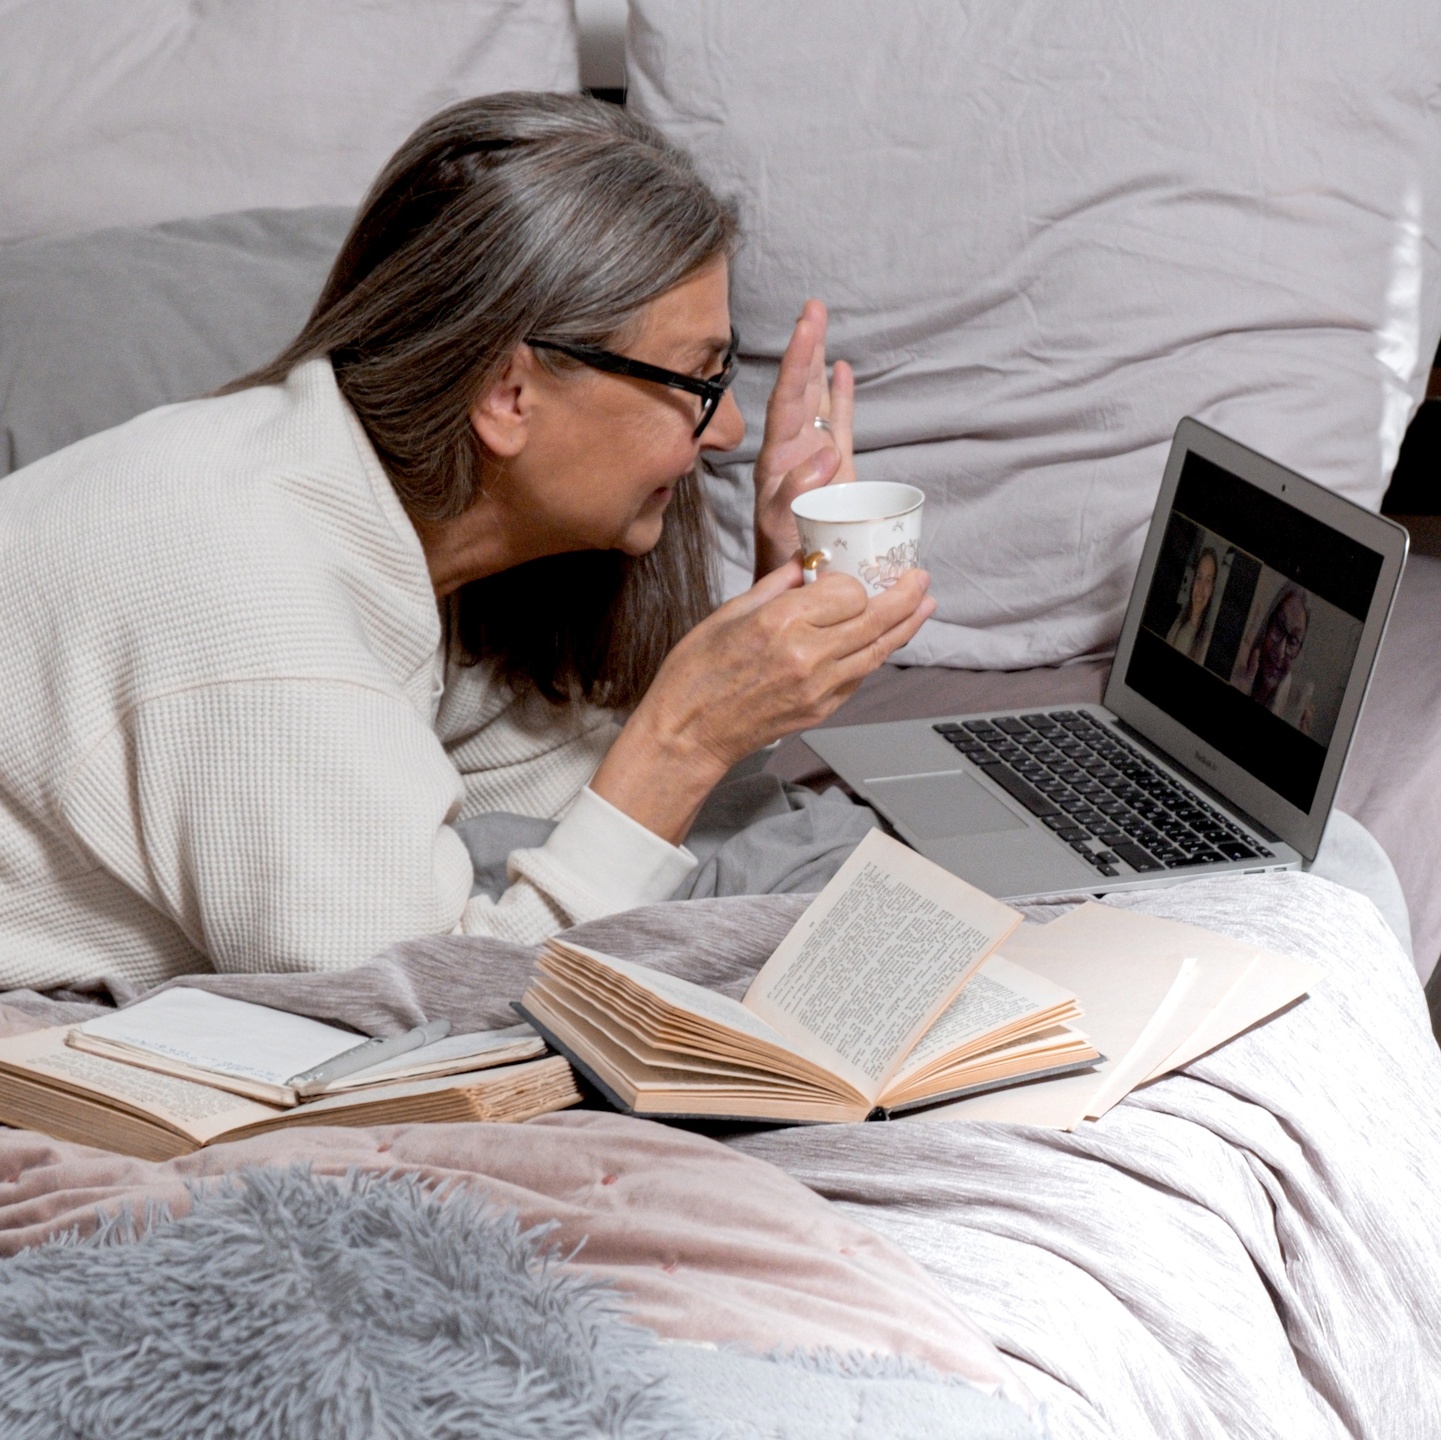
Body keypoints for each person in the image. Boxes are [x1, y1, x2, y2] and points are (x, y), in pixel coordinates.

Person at [0, 95, 933, 992]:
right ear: (508, 395)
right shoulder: (262, 607)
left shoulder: (353, 504)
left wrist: (756, 663)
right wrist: (683, 739)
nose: (725, 431)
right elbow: (416, 1006)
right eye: (696, 381)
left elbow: (541, 801)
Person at [1232, 583, 1312, 730]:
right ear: (1267, 625)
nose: (1280, 652)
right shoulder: (1237, 671)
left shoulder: (1289, 711)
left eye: (1293, 641)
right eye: (1279, 628)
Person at [1165, 547, 1218, 662]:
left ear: (1212, 589)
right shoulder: (1179, 622)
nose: (1201, 588)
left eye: (1208, 581)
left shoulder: (1207, 641)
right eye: (1199, 578)